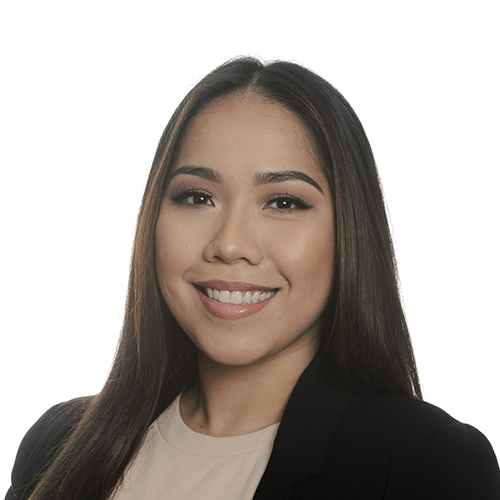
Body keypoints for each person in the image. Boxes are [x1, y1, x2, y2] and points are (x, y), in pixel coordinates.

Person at [6, 57, 500, 500]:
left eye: (283, 202)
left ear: (349, 233)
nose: (230, 244)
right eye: (197, 197)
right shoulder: (57, 443)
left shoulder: (427, 463)